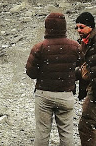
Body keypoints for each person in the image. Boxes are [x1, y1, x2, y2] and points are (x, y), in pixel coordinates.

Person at [26, 12, 82, 146]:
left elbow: (31, 73)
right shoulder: (75, 47)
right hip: (66, 95)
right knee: (67, 133)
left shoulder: (39, 47)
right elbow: (83, 68)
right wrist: (72, 76)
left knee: (42, 134)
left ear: (47, 27)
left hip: (44, 95)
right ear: (64, 27)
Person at [75, 12, 96, 145]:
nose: (78, 31)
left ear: (91, 27)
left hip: (94, 91)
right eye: (77, 27)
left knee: (86, 125)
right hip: (92, 88)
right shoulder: (85, 43)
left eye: (81, 27)